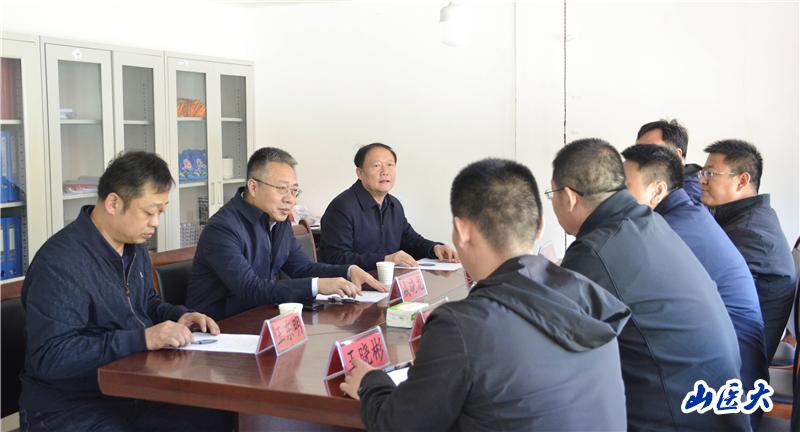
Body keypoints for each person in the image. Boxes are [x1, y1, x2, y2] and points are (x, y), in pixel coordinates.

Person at [339, 158, 631, 431]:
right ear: (540, 226)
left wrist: (370, 382)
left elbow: (398, 424)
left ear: (461, 231)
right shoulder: (587, 293)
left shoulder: (460, 326)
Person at [19, 152, 232, 431]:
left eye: (161, 212)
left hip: (131, 391)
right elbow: (52, 356)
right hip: (69, 408)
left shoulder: (134, 246)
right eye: (149, 212)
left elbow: (146, 304)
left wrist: (179, 317)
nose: (156, 222)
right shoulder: (60, 263)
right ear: (113, 202)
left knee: (220, 414)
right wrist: (143, 338)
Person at [549, 138, 748, 430]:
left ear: (569, 196)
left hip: (677, 418)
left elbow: (555, 342)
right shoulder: (648, 223)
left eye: (551, 194)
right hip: (716, 410)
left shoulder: (595, 250)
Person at [622, 143, 768, 428]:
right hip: (729, 367)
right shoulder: (685, 215)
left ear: (657, 190)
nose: (616, 197)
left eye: (625, 186)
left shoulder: (672, 229)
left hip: (729, 387)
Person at [186, 147, 386, 321]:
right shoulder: (222, 228)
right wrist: (317, 285)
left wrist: (349, 271)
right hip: (218, 331)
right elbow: (250, 289)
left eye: (294, 191)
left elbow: (302, 267)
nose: (290, 199)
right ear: (253, 187)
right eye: (282, 189)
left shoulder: (277, 220)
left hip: (262, 318)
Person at [701, 139, 797, 362]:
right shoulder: (749, 218)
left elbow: (710, 303)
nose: (702, 181)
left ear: (742, 180)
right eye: (702, 173)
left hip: (736, 364)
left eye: (710, 174)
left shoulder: (751, 236)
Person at [319, 143, 457, 270]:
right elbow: (335, 258)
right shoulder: (342, 207)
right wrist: (385, 260)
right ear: (360, 173)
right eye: (376, 165)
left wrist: (434, 248)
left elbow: (410, 240)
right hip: (354, 285)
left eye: (390, 165)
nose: (385, 171)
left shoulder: (394, 205)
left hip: (387, 281)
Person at [636, 119, 703, 203]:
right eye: (637, 151)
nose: (640, 158)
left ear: (677, 156)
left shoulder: (690, 195)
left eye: (651, 150)